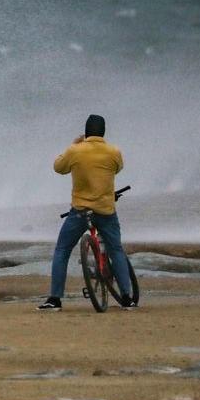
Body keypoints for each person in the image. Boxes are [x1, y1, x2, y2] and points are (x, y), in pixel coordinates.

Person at [37, 114, 134, 311]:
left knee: (62, 250)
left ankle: (54, 299)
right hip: (106, 210)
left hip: (80, 211)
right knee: (116, 250)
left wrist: (73, 145)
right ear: (103, 132)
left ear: (86, 132)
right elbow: (117, 169)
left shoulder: (75, 150)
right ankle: (127, 298)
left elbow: (58, 167)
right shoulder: (113, 151)